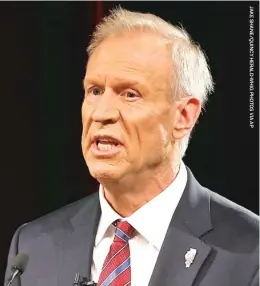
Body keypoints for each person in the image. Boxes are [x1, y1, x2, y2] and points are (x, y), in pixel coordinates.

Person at [5, 7, 259, 286]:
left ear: (183, 116)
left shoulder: (250, 253)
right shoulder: (32, 248)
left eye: (129, 94)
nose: (101, 113)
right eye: (95, 91)